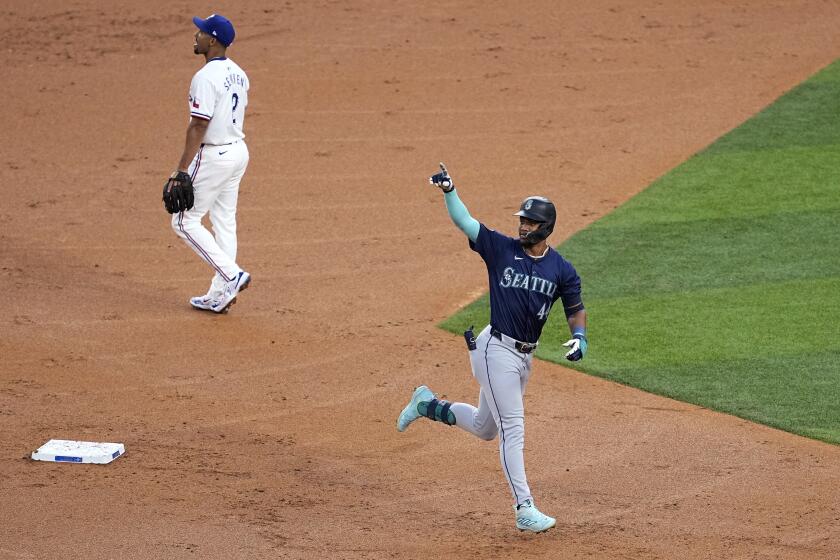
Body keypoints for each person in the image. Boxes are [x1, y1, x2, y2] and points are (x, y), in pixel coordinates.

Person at [397, 163, 589, 533]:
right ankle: (524, 507)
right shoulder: (501, 249)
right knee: (513, 428)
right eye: (522, 220)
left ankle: (426, 404)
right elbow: (466, 222)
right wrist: (450, 190)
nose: (523, 226)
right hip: (494, 349)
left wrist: (579, 337)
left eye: (530, 222)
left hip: (523, 358)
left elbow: (575, 308)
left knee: (487, 427)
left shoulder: (562, 269)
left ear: (545, 227)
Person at [164, 14, 251, 313]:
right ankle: (220, 293)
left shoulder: (204, 78)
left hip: (215, 156)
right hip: (238, 151)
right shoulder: (239, 73)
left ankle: (231, 275)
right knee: (224, 221)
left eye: (200, 32)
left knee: (183, 221)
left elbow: (199, 125)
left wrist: (181, 169)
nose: (196, 35)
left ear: (212, 39)